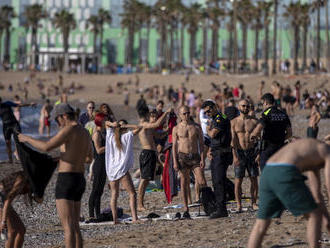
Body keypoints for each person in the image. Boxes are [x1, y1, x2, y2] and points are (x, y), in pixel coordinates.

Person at [18, 103, 93, 248]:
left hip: (66, 180)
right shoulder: (84, 132)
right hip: (79, 179)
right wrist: (68, 156)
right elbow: (89, 158)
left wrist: (26, 138)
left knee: (68, 226)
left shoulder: (68, 130)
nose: (57, 123)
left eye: (57, 120)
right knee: (75, 225)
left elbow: (47, 147)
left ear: (64, 116)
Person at [247, 138, 330, 248]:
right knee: (314, 216)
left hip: (268, 171)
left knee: (261, 223)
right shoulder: (327, 152)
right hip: (285, 170)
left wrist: (327, 220)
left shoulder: (313, 150)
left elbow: (316, 194)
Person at [172, 106, 207, 218]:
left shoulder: (196, 127)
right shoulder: (176, 128)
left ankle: (206, 203)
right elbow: (174, 146)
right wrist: (175, 161)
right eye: (184, 114)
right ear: (180, 115)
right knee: (184, 182)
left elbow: (201, 144)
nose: (186, 115)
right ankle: (186, 206)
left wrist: (202, 158)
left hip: (195, 156)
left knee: (201, 181)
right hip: (182, 156)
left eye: (188, 113)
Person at [105, 119, 141, 224]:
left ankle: (115, 219)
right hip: (121, 169)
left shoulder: (110, 136)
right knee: (132, 193)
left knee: (114, 194)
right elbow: (139, 128)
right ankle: (134, 218)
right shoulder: (126, 136)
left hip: (111, 169)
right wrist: (126, 125)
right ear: (124, 128)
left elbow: (106, 124)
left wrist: (113, 124)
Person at [136, 107, 171, 211]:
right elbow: (156, 124)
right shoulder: (144, 124)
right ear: (147, 115)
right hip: (146, 153)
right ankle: (139, 205)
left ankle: (140, 203)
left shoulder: (149, 127)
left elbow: (159, 135)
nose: (153, 117)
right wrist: (166, 113)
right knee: (144, 179)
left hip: (151, 153)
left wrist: (168, 130)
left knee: (146, 180)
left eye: (155, 115)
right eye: (151, 115)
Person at [201, 100, 232, 219]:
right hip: (217, 152)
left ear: (214, 107)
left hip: (221, 154)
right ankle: (221, 207)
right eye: (206, 112)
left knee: (218, 181)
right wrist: (209, 150)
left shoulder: (219, 118)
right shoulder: (215, 118)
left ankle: (221, 209)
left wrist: (208, 128)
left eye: (209, 110)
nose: (208, 113)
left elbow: (213, 134)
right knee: (217, 180)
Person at [251, 93, 292, 171]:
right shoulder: (283, 114)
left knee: (265, 173)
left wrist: (253, 135)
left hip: (268, 148)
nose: (263, 105)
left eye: (262, 103)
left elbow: (258, 129)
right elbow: (289, 133)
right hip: (280, 147)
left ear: (265, 102)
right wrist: (281, 138)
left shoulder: (266, 113)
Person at [231, 99, 259, 212]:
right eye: (243, 106)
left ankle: (254, 203)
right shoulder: (233, 122)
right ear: (239, 107)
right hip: (240, 152)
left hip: (252, 152)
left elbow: (260, 139)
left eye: (247, 106)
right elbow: (233, 141)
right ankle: (239, 205)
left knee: (254, 179)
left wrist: (259, 154)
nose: (245, 108)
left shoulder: (255, 122)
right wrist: (234, 156)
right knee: (238, 180)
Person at [0, 171, 31, 248]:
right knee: (12, 232)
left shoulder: (30, 180)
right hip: (2, 199)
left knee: (21, 230)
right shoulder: (21, 180)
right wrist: (3, 222)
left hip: (4, 200)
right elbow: (7, 201)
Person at [0, 97, 35, 163]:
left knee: (18, 141)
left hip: (14, 124)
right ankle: (10, 159)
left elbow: (19, 105)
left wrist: (30, 104)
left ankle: (17, 153)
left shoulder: (7, 103)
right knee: (8, 143)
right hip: (6, 126)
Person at [87, 113, 107, 222]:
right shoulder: (97, 134)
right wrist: (110, 145)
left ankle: (98, 213)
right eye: (104, 120)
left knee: (100, 190)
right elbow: (98, 150)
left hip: (104, 163)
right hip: (98, 163)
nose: (106, 122)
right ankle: (91, 214)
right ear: (100, 121)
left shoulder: (103, 133)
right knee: (95, 189)